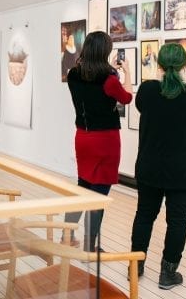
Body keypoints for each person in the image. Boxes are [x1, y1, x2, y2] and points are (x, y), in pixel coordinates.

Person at [129, 43, 186, 289]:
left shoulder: (147, 90)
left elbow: (142, 106)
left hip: (150, 167)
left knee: (144, 215)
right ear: (185, 64)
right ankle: (167, 273)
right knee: (178, 221)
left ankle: (135, 267)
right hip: (183, 171)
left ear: (159, 64)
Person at [64, 31, 133, 251]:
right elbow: (127, 97)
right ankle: (89, 245)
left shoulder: (73, 74)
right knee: (99, 194)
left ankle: (66, 235)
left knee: (83, 186)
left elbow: (92, 80)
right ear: (105, 51)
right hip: (105, 140)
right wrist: (127, 72)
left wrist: (110, 70)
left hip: (83, 137)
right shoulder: (109, 79)